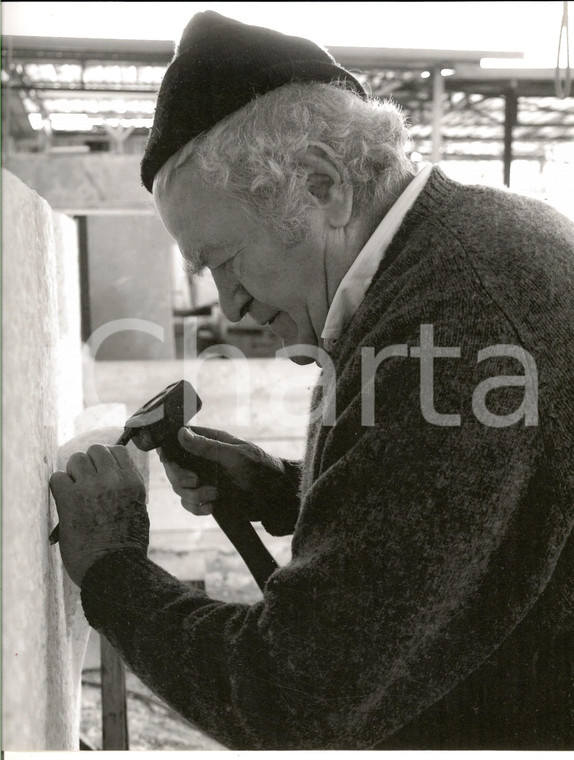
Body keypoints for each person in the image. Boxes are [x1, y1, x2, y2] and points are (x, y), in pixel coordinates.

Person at [50, 10, 574, 750]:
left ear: (324, 184)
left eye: (225, 260)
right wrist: (286, 490)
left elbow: (289, 697)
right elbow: (478, 500)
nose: (227, 304)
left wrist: (110, 571)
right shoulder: (454, 254)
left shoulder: (460, 319)